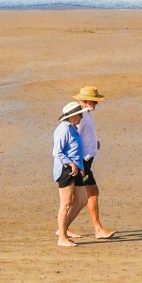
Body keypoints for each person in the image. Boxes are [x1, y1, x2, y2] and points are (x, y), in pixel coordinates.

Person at [64, 85, 115, 240]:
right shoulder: (80, 115)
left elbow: (85, 136)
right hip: (83, 163)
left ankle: (63, 228)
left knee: (74, 198)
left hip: (86, 162)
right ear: (85, 101)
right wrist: (79, 166)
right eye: (94, 102)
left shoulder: (85, 113)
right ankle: (97, 229)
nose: (96, 104)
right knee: (91, 193)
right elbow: (74, 138)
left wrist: (94, 143)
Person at [53, 102, 85, 248]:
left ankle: (63, 229)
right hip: (66, 170)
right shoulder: (63, 129)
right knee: (66, 203)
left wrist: (81, 167)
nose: (82, 116)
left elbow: (76, 150)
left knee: (81, 200)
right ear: (72, 116)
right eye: (80, 114)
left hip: (76, 169)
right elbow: (57, 152)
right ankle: (62, 238)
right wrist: (70, 163)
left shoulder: (73, 128)